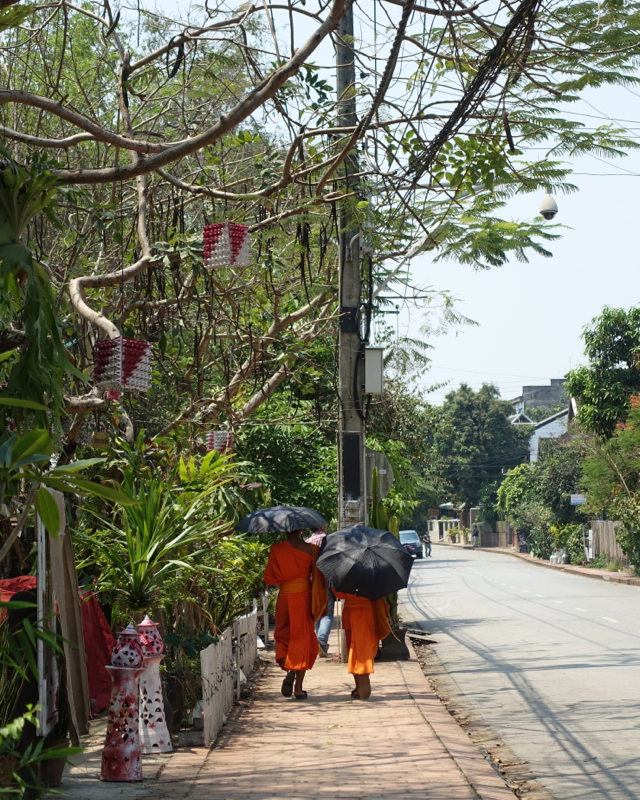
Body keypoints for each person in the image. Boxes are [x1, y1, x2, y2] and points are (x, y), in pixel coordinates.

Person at [263, 529, 326, 700]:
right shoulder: (311, 549)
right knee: (303, 638)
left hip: (284, 598)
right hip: (304, 598)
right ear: (301, 530)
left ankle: (287, 663)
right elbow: (319, 576)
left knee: (283, 634)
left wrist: (286, 575)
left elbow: (269, 578)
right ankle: (298, 687)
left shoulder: (276, 549)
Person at [333, 590, 391, 700]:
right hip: (367, 611)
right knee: (366, 646)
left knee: (352, 648)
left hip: (350, 611)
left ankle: (358, 685)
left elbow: (338, 593)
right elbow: (379, 594)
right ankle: (364, 674)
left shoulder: (345, 575)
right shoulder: (372, 574)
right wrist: (386, 614)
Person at [306, 525, 334, 657]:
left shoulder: (307, 543)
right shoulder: (329, 540)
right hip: (326, 580)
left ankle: (319, 641)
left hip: (311, 582)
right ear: (323, 526)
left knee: (316, 611)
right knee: (327, 614)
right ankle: (321, 641)